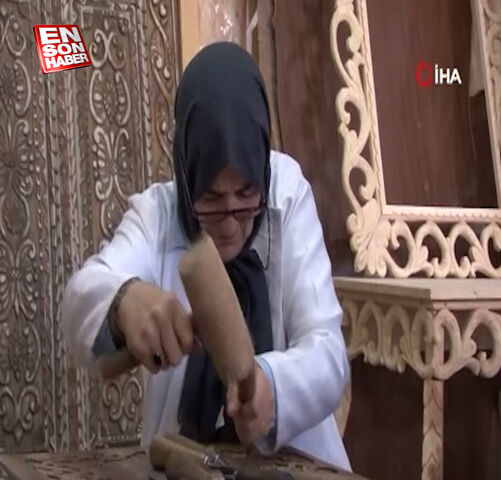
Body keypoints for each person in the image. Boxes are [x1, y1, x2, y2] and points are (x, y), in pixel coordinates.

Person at [59, 43, 350, 471]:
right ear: (185, 170)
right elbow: (79, 296)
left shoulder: (285, 194)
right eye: (211, 200)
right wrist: (123, 301)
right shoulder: (158, 214)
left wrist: (271, 387)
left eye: (245, 196)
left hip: (295, 459)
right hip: (186, 458)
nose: (229, 225)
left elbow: (328, 353)